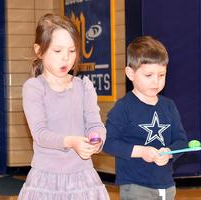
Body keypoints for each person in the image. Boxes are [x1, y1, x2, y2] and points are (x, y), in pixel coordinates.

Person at [18, 13, 109, 200]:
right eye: (57, 51)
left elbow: (95, 124)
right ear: (39, 51)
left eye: (72, 51)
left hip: (83, 177)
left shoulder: (84, 86)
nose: (66, 58)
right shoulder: (34, 88)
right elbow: (40, 134)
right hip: (45, 178)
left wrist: (97, 140)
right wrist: (71, 141)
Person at [103, 36, 188, 200]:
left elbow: (181, 141)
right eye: (148, 75)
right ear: (130, 73)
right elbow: (108, 142)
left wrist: (169, 152)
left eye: (161, 75)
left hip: (167, 186)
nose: (156, 81)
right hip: (136, 187)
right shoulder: (123, 107)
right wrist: (141, 151)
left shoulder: (169, 106)